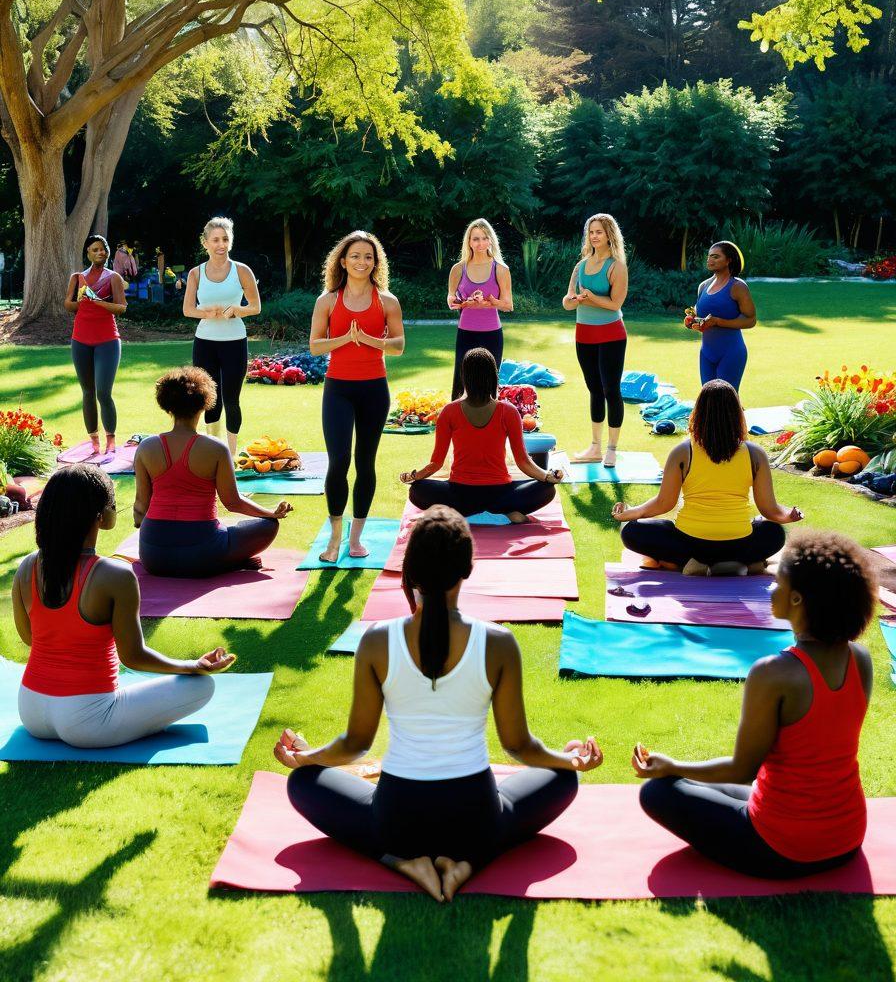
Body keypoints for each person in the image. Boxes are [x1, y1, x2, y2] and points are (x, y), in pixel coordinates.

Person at [275, 506, 601, 901]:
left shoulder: (377, 640)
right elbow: (519, 746)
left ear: (409, 568)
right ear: (467, 569)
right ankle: (469, 861)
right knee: (563, 778)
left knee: (303, 783)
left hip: (395, 822)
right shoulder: (498, 643)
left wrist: (307, 758)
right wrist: (569, 761)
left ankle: (399, 859)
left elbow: (355, 744)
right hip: (476, 820)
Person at [633, 530, 876, 879]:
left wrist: (672, 765)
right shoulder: (860, 659)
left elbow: (741, 770)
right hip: (848, 835)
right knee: (704, 785)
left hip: (784, 847)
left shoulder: (773, 673)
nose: (769, 588)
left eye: (776, 582)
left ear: (796, 600)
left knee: (657, 792)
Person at [11, 464, 235, 749]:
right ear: (100, 516)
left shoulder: (27, 566)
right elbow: (133, 656)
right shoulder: (115, 575)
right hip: (88, 723)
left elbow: (31, 638)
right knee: (202, 685)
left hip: (31, 709)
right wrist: (192, 666)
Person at [612, 379, 802, 575]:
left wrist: (630, 514)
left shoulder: (682, 451)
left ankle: (690, 562)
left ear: (699, 413)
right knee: (774, 532)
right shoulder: (755, 454)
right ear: (737, 413)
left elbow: (664, 503)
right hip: (738, 544)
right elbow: (769, 509)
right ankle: (738, 562)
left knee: (632, 531)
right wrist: (789, 515)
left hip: (691, 544)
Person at [133, 367, 291, 578]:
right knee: (267, 526)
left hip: (153, 557)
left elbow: (140, 508)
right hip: (202, 554)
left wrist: (158, 535)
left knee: (220, 533)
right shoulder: (215, 449)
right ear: (203, 405)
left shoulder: (146, 447)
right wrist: (270, 514)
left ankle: (226, 560)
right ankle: (230, 562)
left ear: (167, 406)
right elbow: (233, 502)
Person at [309, 231, 405, 562]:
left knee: (365, 463)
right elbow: (315, 344)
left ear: (375, 262)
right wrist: (345, 339)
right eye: (355, 256)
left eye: (368, 256)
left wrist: (369, 339)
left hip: (374, 390)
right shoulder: (328, 300)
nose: (361, 262)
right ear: (343, 261)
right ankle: (335, 537)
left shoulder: (387, 301)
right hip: (338, 388)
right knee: (339, 462)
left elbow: (398, 345)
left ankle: (356, 538)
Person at [399, 348, 563, 522]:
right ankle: (504, 512)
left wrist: (415, 477)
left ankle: (461, 513)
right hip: (501, 495)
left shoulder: (449, 411)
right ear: (494, 377)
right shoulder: (508, 411)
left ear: (464, 377)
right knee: (547, 489)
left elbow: (436, 463)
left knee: (417, 490)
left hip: (459, 495)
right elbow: (523, 461)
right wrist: (547, 477)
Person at [183, 217, 261, 459]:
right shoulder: (196, 273)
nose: (221, 244)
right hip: (205, 342)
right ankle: (213, 453)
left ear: (231, 241)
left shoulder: (242, 271)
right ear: (205, 243)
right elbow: (187, 310)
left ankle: (232, 456)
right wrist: (207, 312)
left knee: (231, 399)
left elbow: (256, 306)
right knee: (209, 398)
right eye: (215, 240)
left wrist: (238, 310)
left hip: (235, 342)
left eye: (225, 239)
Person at [561, 214, 629, 467]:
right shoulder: (580, 266)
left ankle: (612, 448)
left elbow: (615, 304)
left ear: (609, 235)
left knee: (611, 389)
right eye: (591, 232)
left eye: (599, 232)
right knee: (594, 389)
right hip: (584, 333)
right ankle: (595, 447)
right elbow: (567, 301)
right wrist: (574, 300)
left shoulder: (616, 266)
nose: (594, 236)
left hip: (611, 333)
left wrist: (590, 297)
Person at [64, 233, 128, 457]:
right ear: (88, 253)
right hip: (80, 340)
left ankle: (111, 440)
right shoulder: (77, 277)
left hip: (107, 341)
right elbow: (68, 305)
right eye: (94, 249)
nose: (100, 252)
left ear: (107, 251)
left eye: (102, 248)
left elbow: (121, 308)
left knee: (103, 392)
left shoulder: (113, 278)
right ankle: (93, 441)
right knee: (88, 392)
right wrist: (80, 300)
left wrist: (98, 302)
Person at [447, 220, 513, 400]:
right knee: (461, 382)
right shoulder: (458, 268)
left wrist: (490, 302)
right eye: (476, 239)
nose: (480, 243)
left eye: (485, 238)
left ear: (491, 240)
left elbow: (508, 305)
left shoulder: (500, 269)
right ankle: (457, 424)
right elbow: (451, 298)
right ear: (469, 241)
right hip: (466, 333)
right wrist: (458, 302)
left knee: (489, 385)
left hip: (492, 334)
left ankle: (489, 424)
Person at [690, 241, 756, 392]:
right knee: (708, 402)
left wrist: (718, 322)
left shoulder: (737, 286)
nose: (710, 260)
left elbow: (751, 320)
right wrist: (693, 321)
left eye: (715, 257)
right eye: (709, 256)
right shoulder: (703, 286)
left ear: (729, 260)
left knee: (727, 402)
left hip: (731, 353)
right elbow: (699, 315)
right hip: (706, 353)